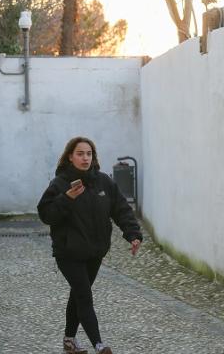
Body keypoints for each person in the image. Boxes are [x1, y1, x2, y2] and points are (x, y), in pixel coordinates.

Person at [38, 137, 142, 354]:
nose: (85, 158)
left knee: (77, 295)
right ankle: (99, 344)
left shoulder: (103, 182)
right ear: (70, 156)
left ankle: (69, 340)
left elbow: (121, 210)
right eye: (80, 153)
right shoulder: (60, 184)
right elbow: (46, 215)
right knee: (84, 296)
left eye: (89, 154)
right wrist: (66, 198)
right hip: (68, 253)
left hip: (95, 252)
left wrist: (133, 234)